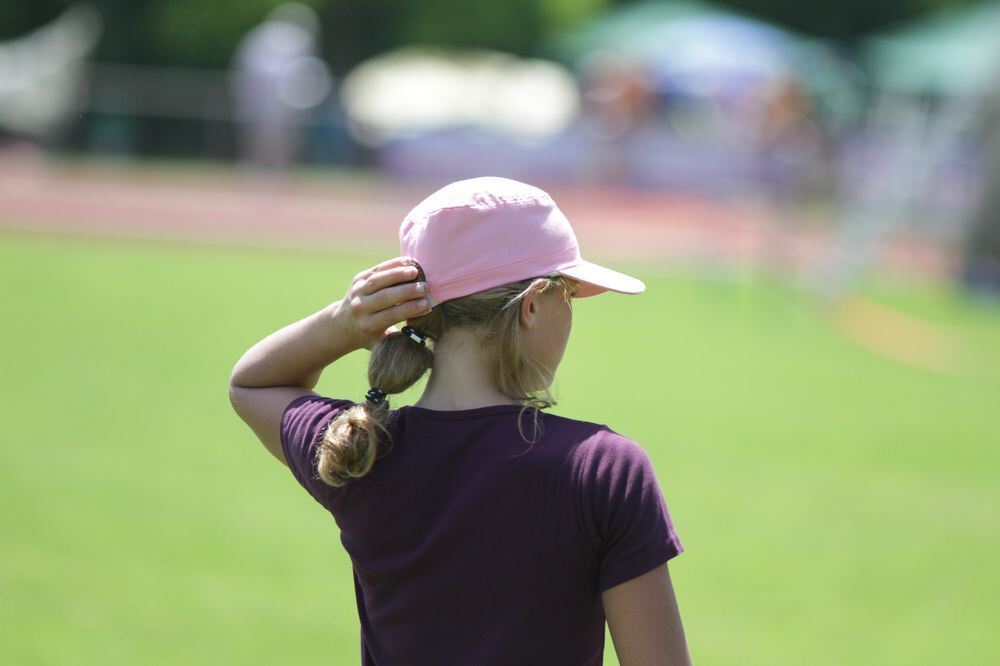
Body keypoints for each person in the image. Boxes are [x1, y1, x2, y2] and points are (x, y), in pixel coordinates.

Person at [229, 177, 692, 665]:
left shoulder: (361, 451)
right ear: (532, 305)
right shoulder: (604, 469)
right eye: (569, 295)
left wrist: (345, 322)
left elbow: (253, 383)